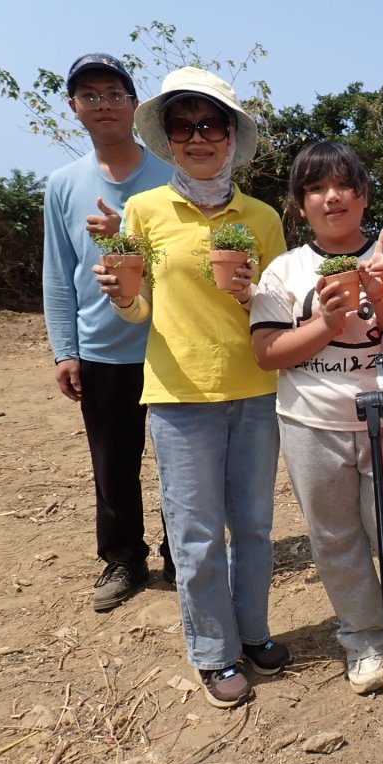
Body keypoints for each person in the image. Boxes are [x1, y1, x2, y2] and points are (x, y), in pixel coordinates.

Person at [93, 66, 291, 708]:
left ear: (231, 136)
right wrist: (122, 294)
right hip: (178, 396)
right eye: (183, 127)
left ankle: (254, 631)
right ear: (169, 139)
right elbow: (138, 310)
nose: (197, 137)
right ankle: (213, 651)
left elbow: (278, 308)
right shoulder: (144, 209)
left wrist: (252, 292)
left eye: (211, 125)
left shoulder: (260, 217)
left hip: (255, 391)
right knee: (196, 534)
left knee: (255, 526)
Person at [250, 141, 383, 694]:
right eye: (316, 188)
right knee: (336, 537)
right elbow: (268, 353)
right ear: (299, 205)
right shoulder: (285, 270)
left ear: (364, 196)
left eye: (343, 185)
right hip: (311, 423)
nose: (331, 197)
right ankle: (365, 638)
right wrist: (324, 322)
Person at [43, 53, 174, 612]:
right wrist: (65, 349)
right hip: (101, 351)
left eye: (114, 93)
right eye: (90, 95)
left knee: (181, 461)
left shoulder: (172, 176)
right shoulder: (63, 184)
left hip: (171, 345)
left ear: (134, 104)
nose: (103, 104)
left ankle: (183, 554)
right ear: (73, 107)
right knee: (112, 464)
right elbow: (58, 272)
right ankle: (123, 558)